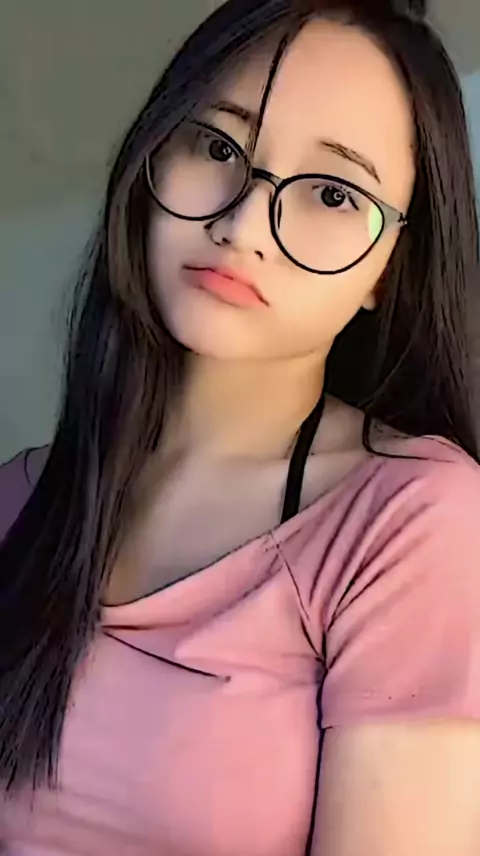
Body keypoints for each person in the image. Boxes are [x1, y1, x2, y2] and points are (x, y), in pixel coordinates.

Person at [1, 0, 480, 852]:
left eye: (332, 193)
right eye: (219, 147)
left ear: (389, 270)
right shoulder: (20, 499)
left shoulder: (412, 523)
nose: (242, 226)